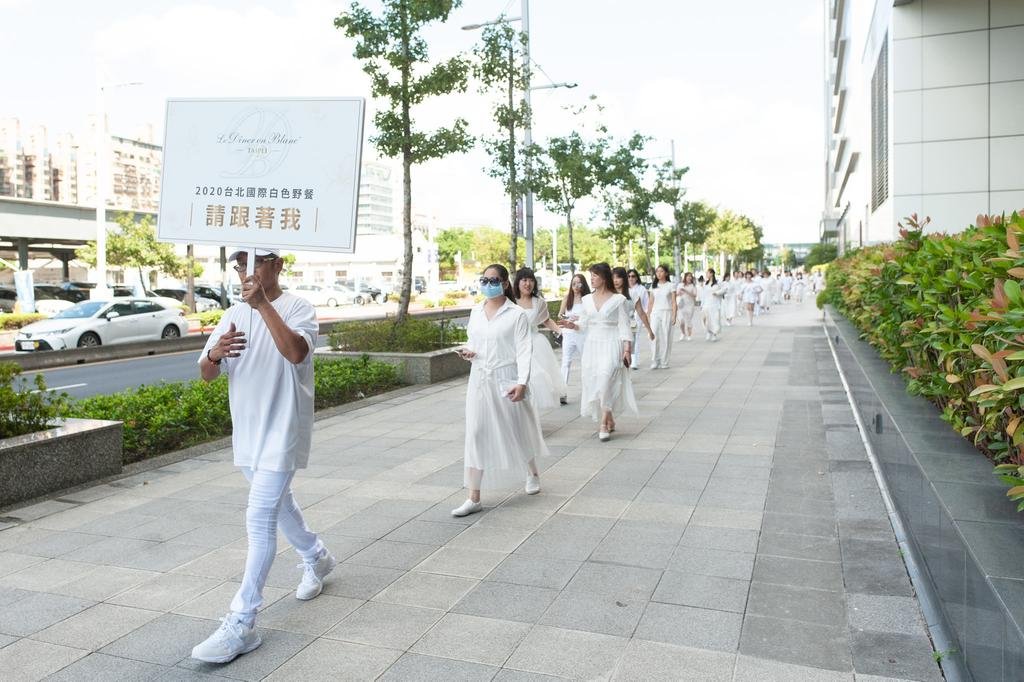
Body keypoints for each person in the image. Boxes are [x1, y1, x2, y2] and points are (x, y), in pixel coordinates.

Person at [192, 248, 333, 664]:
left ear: (277, 266)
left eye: (254, 263)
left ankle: (242, 621)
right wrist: (215, 353)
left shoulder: (299, 307)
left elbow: (295, 353)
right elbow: (206, 371)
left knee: (259, 517)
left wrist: (262, 306)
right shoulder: (231, 312)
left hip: (283, 430)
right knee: (280, 505)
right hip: (248, 434)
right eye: (239, 265)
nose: (245, 271)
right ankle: (317, 557)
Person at [453, 264, 549, 517]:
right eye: (484, 280)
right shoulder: (475, 311)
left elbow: (524, 349)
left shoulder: (516, 314)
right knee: (475, 432)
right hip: (480, 379)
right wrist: (469, 351)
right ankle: (473, 496)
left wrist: (522, 382)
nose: (488, 284)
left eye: (494, 280)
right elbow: (474, 340)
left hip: (507, 377)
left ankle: (532, 472)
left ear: (506, 283)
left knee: (516, 428)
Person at [558, 262, 636, 441]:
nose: (591, 279)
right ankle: (609, 417)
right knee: (596, 383)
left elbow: (624, 325)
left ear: (604, 278)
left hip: (611, 342)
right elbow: (583, 324)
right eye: (591, 275)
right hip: (592, 344)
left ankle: (603, 423)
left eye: (595, 275)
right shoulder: (586, 300)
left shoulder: (619, 300)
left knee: (606, 378)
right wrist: (572, 325)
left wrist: (627, 349)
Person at [513, 267, 566, 410]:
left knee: (536, 378)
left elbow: (546, 320)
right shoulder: (511, 301)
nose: (528, 284)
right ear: (518, 282)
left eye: (531, 280)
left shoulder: (539, 302)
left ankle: (532, 412)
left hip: (535, 343)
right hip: (514, 344)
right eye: (524, 280)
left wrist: (561, 332)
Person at [558, 273, 589, 403]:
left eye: (579, 283)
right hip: (568, 333)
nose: (576, 286)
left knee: (586, 361)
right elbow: (560, 314)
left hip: (581, 332)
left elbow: (589, 317)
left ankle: (589, 391)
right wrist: (566, 318)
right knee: (566, 361)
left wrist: (579, 319)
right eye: (573, 283)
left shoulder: (587, 299)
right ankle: (562, 393)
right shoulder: (567, 298)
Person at [614, 267, 654, 369]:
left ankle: (628, 371)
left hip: (630, 326)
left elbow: (641, 313)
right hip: (614, 328)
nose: (615, 280)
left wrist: (649, 330)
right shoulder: (609, 293)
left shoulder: (632, 293)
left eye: (618, 277)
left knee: (627, 352)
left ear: (623, 278)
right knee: (615, 354)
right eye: (613, 278)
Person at [646, 264, 677, 369]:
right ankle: (655, 360)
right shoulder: (653, 286)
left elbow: (673, 302)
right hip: (655, 313)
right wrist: (648, 315)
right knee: (653, 336)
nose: (659, 273)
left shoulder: (670, 285)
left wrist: (674, 315)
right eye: (657, 271)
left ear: (666, 273)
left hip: (667, 313)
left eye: (661, 271)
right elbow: (650, 302)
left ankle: (664, 361)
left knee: (666, 337)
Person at [625, 269, 652, 368]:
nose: (631, 278)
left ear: (637, 278)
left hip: (636, 319)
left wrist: (646, 318)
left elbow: (645, 304)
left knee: (634, 338)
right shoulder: (625, 289)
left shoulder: (641, 289)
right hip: (625, 319)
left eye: (633, 276)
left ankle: (634, 361)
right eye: (629, 276)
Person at [700, 268, 726, 342]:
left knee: (714, 319)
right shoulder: (706, 283)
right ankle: (708, 331)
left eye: (707, 273)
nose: (706, 275)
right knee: (705, 318)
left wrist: (717, 293)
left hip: (715, 304)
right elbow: (703, 294)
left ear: (711, 273)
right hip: (706, 304)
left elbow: (724, 290)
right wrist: (702, 304)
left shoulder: (718, 283)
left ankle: (714, 334)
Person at [676, 272, 698, 341]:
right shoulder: (680, 285)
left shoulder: (693, 286)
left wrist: (686, 291)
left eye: (690, 276)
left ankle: (689, 335)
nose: (689, 278)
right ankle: (683, 333)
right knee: (681, 320)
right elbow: (676, 294)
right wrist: (679, 293)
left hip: (690, 305)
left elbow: (694, 295)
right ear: (685, 277)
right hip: (681, 305)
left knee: (688, 320)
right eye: (688, 276)